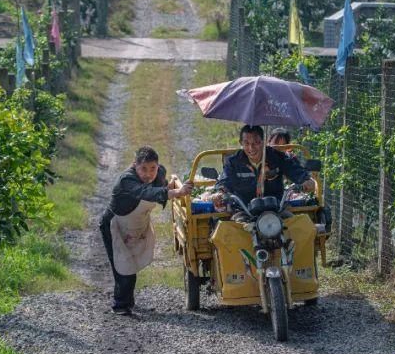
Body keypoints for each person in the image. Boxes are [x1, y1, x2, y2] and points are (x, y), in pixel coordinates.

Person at [100, 147, 192, 315]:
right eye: (143, 169)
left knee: (131, 263)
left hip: (135, 226)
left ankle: (128, 302)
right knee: (122, 266)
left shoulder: (159, 172)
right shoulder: (126, 180)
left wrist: (168, 185)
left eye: (153, 169)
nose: (148, 174)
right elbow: (147, 192)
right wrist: (176, 191)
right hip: (114, 225)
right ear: (135, 165)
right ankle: (120, 305)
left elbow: (160, 184)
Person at [214, 125, 316, 209]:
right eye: (246, 143)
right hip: (243, 211)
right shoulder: (233, 162)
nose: (251, 147)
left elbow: (294, 170)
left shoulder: (277, 157)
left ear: (264, 142)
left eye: (256, 143)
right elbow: (224, 181)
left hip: (277, 209)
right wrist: (220, 193)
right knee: (224, 232)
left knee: (304, 228)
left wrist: (306, 180)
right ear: (241, 143)